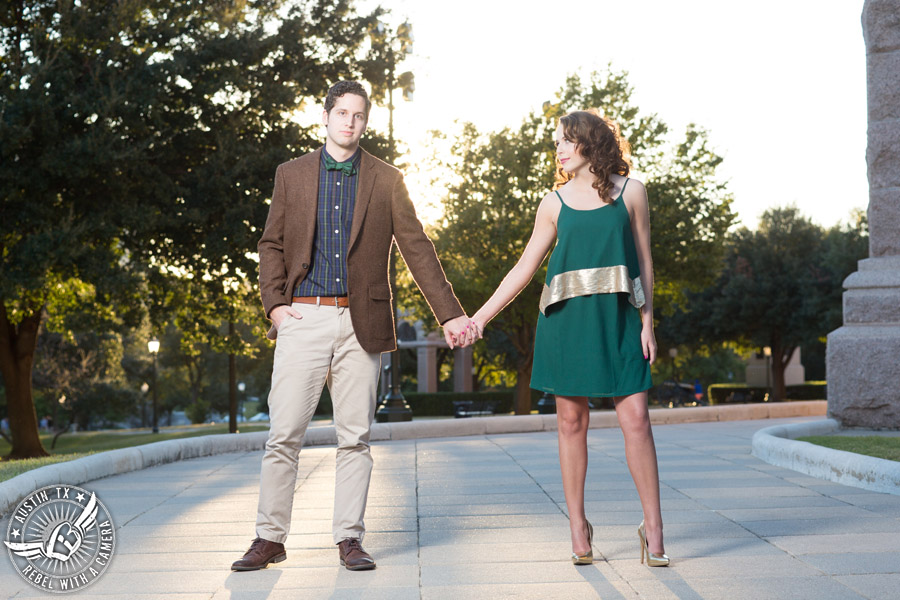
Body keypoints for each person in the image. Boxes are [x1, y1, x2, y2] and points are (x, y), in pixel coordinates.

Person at [233, 81, 478, 573]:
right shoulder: (292, 174)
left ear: (366, 122)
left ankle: (349, 538)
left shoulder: (387, 179)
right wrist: (275, 306)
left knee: (355, 438)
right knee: (284, 434)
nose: (349, 122)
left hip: (361, 322)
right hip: (303, 316)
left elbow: (417, 246)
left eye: (358, 115)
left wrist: (450, 313)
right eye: (341, 113)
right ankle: (269, 537)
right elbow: (271, 244)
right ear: (325, 117)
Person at [472, 109, 668, 567]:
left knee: (637, 418)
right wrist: (479, 318)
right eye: (556, 141)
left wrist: (648, 321)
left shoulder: (632, 191)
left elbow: (644, 260)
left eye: (564, 140)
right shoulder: (553, 203)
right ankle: (578, 528)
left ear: (588, 144)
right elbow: (523, 268)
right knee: (570, 423)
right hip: (566, 322)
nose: (557, 148)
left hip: (619, 320)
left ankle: (653, 527)